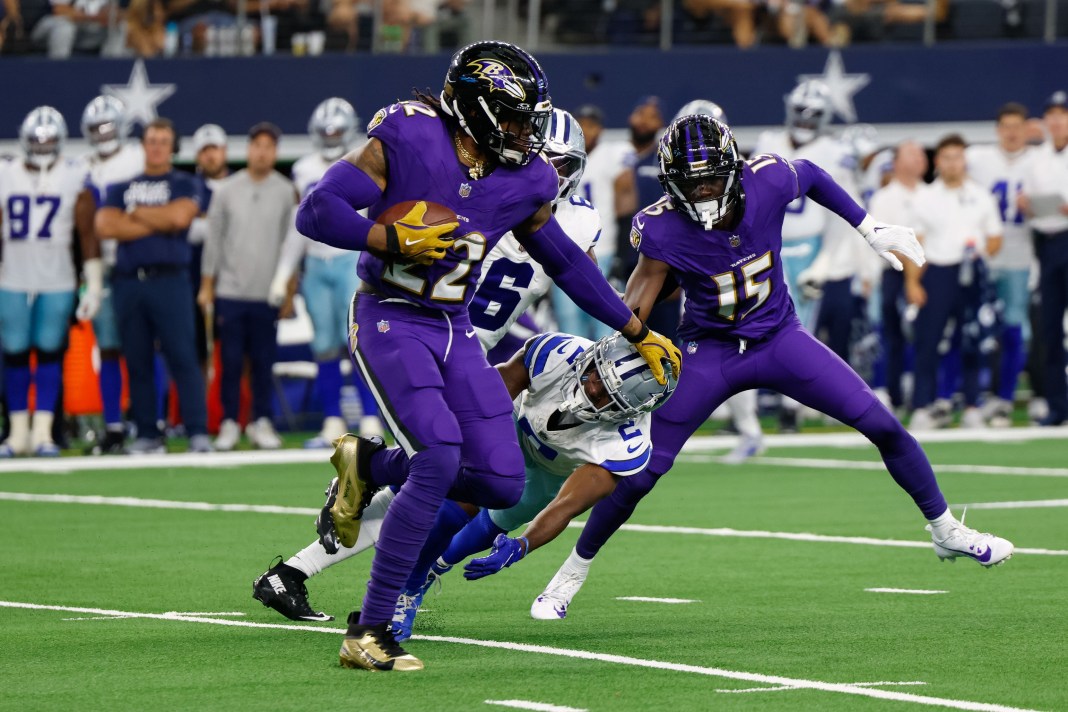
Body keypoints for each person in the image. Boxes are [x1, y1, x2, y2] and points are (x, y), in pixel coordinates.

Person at [526, 115, 1014, 619]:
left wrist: (869, 228)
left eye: (712, 178)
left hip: (779, 339)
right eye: (690, 184)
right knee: (643, 470)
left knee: (884, 426)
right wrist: (616, 348)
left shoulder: (768, 178)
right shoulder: (660, 225)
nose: (703, 192)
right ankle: (571, 573)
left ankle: (945, 530)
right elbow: (640, 299)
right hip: (709, 350)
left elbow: (816, 176)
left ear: (733, 170)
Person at [292, 40, 680, 671]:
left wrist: (635, 329)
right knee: (440, 457)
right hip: (391, 316)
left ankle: (367, 464)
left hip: (452, 326)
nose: (525, 134)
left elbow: (564, 262)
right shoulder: (410, 135)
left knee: (501, 479)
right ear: (473, 109)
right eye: (513, 118)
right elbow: (317, 210)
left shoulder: (525, 177)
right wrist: (384, 236)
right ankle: (368, 630)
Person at [252, 107, 606, 628]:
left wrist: (624, 332)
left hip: (470, 354)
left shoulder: (570, 221)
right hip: (419, 336)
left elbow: (575, 279)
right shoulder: (486, 189)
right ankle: (375, 591)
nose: (546, 170)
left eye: (558, 163)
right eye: (540, 158)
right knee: (440, 477)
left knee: (454, 481)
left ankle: (305, 565)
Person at [253, 331, 674, 635]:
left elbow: (565, 505)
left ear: (628, 410)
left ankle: (356, 497)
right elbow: (488, 400)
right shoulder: (559, 354)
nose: (590, 387)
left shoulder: (625, 445)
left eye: (605, 394)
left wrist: (524, 544)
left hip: (552, 470)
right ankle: (399, 575)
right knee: (454, 489)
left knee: (472, 533)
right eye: (596, 374)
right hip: (508, 419)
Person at [269, 98, 384, 447]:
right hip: (317, 264)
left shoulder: (366, 160)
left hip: (352, 258)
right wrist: (283, 273)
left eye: (336, 130)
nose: (331, 136)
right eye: (326, 131)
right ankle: (332, 420)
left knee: (360, 342)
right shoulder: (303, 169)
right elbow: (296, 225)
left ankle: (371, 419)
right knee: (324, 346)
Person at [95, 117, 211, 454]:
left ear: (172, 147)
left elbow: (180, 218)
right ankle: (147, 433)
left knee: (182, 356)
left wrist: (134, 213)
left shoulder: (185, 182)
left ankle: (197, 431)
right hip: (129, 282)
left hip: (171, 280)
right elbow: (105, 225)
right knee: (137, 358)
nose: (157, 146)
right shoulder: (120, 186)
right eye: (151, 140)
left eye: (163, 140)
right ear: (143, 145)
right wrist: (158, 218)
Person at [674, 99, 764, 464]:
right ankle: (739, 425)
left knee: (738, 349)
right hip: (702, 273)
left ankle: (749, 428)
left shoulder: (741, 176)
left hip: (736, 272)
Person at [0, 107, 94, 457]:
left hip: (58, 279)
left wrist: (93, 283)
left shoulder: (74, 174)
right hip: (13, 276)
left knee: (51, 355)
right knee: (14, 356)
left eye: (49, 139)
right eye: (37, 139)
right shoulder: (6, 172)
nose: (42, 146)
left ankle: (43, 434)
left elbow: (87, 233)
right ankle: (16, 434)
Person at [198, 121, 296, 451]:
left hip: (267, 291)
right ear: (248, 149)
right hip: (229, 291)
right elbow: (213, 240)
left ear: (275, 152)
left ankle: (261, 422)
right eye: (257, 145)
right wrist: (207, 284)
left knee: (264, 360)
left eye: (269, 146)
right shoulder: (227, 190)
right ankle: (229, 423)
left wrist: (289, 288)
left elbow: (291, 243)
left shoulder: (285, 191)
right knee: (232, 361)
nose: (262, 152)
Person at [907, 134, 1003, 431]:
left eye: (958, 157)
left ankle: (973, 405)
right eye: (947, 158)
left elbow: (995, 237)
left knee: (972, 341)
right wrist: (913, 282)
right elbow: (915, 243)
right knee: (929, 341)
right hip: (937, 273)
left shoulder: (981, 195)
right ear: (938, 162)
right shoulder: (924, 197)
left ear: (965, 160)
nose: (953, 164)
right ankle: (922, 406)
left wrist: (980, 256)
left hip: (972, 273)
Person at [79, 95, 146, 455]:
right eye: (95, 129)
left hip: (134, 262)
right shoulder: (82, 165)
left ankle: (150, 419)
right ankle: (114, 425)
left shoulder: (136, 157)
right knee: (108, 348)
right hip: (99, 267)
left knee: (142, 346)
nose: (102, 134)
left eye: (107, 126)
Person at [966, 103, 1035, 427]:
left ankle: (1005, 398)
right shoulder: (978, 158)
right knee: (975, 330)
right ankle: (975, 399)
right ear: (997, 129)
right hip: (981, 257)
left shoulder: (1040, 161)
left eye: (1017, 126)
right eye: (1006, 125)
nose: (1011, 132)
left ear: (1026, 129)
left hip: (1020, 256)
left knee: (1014, 329)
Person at [552, 103, 637, 340]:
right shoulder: (561, 157)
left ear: (600, 129)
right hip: (563, 248)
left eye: (592, 125)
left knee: (607, 321)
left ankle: (603, 375)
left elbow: (626, 205)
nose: (587, 131)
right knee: (568, 322)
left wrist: (622, 252)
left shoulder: (614, 154)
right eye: (583, 125)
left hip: (604, 249)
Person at [1019, 90, 1068, 427]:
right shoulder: (1036, 159)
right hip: (1047, 243)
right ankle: (1057, 405)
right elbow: (1029, 201)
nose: (1056, 120)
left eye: (1062, 114)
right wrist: (1027, 206)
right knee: (1048, 328)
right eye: (1051, 114)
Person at [868, 140, 928, 413]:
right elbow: (883, 239)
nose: (919, 158)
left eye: (920, 153)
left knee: (932, 336)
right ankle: (892, 392)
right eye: (912, 153)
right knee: (894, 335)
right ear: (898, 161)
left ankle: (927, 394)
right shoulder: (885, 197)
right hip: (897, 271)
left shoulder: (932, 193)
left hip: (932, 272)